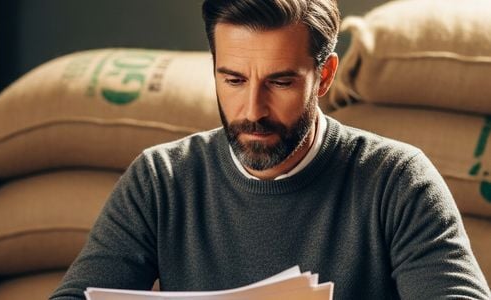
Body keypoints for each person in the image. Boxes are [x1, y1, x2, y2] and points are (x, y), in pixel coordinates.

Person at [50, 0, 491, 299]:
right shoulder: (161, 179)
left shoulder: (397, 180)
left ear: (324, 76)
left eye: (279, 82)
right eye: (234, 80)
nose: (252, 110)